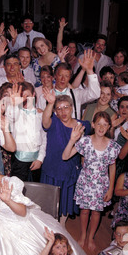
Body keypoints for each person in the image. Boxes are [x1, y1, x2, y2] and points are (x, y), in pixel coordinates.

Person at [0, 148, 89, 255]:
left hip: (22, 224)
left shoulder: (9, 183)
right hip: (2, 229)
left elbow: (23, 212)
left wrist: (8, 201)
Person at [62, 111, 121, 251]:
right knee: (84, 211)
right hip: (85, 183)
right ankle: (83, 235)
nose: (101, 127)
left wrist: (111, 188)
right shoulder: (85, 141)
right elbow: (65, 156)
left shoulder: (112, 146)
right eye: (98, 124)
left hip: (101, 185)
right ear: (93, 124)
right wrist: (72, 140)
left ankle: (90, 237)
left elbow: (112, 168)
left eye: (105, 125)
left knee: (96, 212)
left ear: (109, 127)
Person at [41, 93, 91, 225]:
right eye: (59, 108)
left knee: (66, 199)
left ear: (72, 108)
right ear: (55, 111)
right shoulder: (54, 122)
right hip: (51, 168)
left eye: (66, 107)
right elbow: (45, 121)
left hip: (69, 170)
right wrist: (50, 103)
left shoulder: (83, 125)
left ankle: (62, 225)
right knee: (49, 201)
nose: (63, 111)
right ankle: (49, 224)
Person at [37, 50, 101, 120]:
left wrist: (89, 71)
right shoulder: (43, 97)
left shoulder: (76, 94)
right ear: (55, 76)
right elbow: (40, 120)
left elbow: (95, 94)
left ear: (70, 78)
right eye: (60, 75)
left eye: (66, 76)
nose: (63, 79)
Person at [5, 82, 46, 182]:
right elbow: (10, 116)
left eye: (27, 96)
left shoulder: (40, 115)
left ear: (33, 95)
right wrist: (14, 104)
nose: (24, 99)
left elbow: (44, 138)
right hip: (19, 162)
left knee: (35, 192)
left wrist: (40, 159)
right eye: (21, 96)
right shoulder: (16, 113)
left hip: (36, 162)